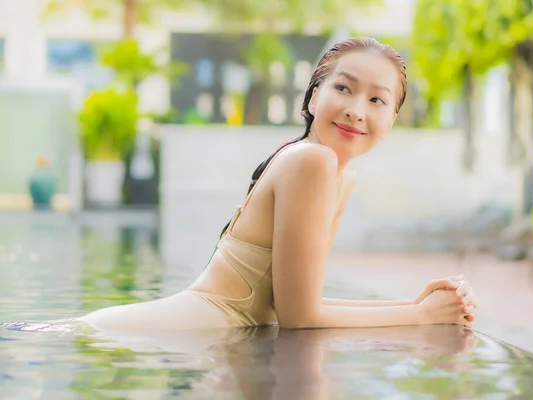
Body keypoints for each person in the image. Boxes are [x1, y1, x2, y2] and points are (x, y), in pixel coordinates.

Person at [81, 37, 477, 331]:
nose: (356, 111)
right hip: (149, 335)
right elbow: (299, 318)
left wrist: (414, 305)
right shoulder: (312, 161)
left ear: (391, 121)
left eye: (377, 100)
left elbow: (295, 302)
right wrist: (420, 316)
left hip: (182, 333)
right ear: (313, 97)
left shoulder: (338, 175)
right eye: (343, 88)